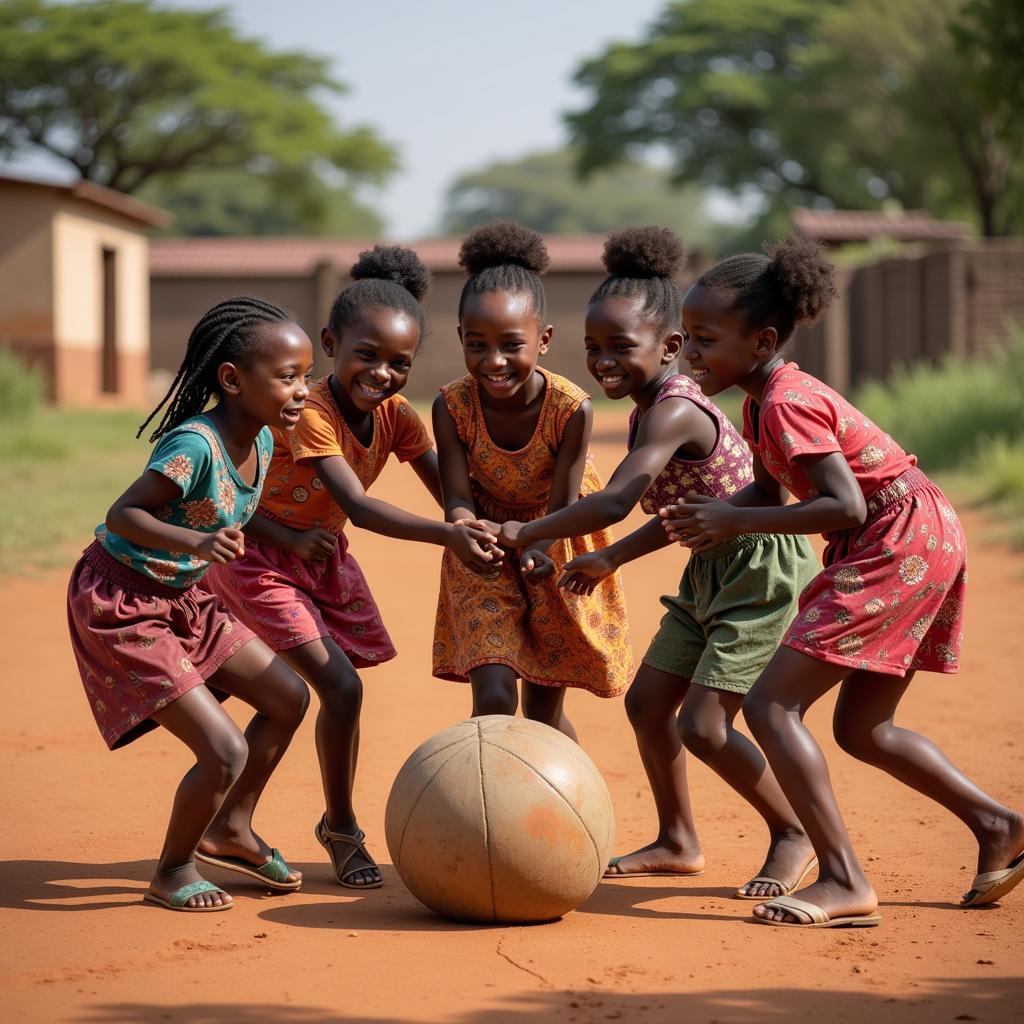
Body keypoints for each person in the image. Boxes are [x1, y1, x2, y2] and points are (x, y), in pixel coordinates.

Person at [661, 234, 1024, 927]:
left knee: (770, 707)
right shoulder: (759, 401)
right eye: (686, 339)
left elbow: (844, 504)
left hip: (891, 539)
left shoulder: (785, 402)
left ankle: (843, 880)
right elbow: (767, 490)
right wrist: (714, 516)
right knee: (865, 728)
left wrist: (735, 525)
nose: (690, 354)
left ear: (762, 341)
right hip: (916, 532)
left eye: (705, 339)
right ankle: (998, 824)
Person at [497, 227, 819, 897]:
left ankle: (795, 833)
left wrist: (532, 532)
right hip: (712, 567)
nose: (602, 362)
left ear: (669, 347)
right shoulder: (650, 410)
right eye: (593, 349)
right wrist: (611, 557)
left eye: (620, 348)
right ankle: (678, 839)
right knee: (649, 704)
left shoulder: (673, 410)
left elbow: (617, 499)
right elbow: (678, 515)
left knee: (703, 726)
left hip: (760, 573)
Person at [206, 247, 498, 889]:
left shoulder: (396, 417)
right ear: (332, 343)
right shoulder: (309, 411)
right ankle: (339, 828)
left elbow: (449, 485)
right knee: (338, 689)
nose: (383, 373)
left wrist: (475, 517)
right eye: (367, 355)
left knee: (288, 695)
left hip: (318, 564)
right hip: (256, 562)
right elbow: (358, 508)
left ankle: (230, 821)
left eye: (400, 363)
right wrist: (452, 536)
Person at [66, 297, 312, 913]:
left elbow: (229, 512)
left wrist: (288, 540)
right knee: (224, 749)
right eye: (288, 376)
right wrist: (196, 542)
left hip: (182, 599)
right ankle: (172, 870)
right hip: (122, 601)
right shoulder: (195, 444)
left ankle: (231, 828)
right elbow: (125, 513)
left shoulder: (265, 442)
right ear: (231, 379)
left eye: (306, 374)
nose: (303, 389)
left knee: (288, 697)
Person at [432, 220, 632, 738]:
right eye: (477, 345)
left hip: (554, 544)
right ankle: (489, 815)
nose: (493, 361)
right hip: (484, 549)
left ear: (543, 340)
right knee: (495, 697)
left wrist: (536, 545)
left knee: (543, 710)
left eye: (510, 345)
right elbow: (456, 495)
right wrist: (465, 529)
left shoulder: (571, 409)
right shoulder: (451, 405)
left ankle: (567, 811)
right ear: (460, 339)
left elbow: (563, 509)